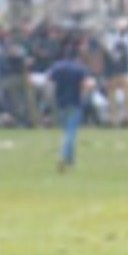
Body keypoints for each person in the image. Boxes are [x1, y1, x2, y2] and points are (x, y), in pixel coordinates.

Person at [43, 44, 91, 172]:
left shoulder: (57, 67)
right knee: (71, 132)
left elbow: (48, 83)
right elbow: (85, 86)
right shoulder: (80, 69)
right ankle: (62, 155)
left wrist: (48, 101)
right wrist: (84, 99)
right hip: (75, 102)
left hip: (60, 103)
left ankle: (70, 160)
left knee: (66, 131)